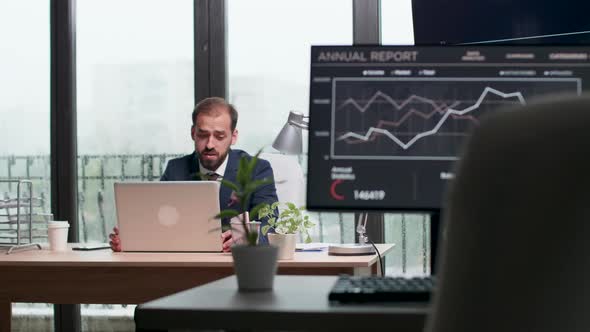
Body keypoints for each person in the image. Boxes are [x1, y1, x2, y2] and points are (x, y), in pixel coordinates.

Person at [109, 97, 278, 252]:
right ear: (193, 133)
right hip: (185, 261)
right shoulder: (176, 169)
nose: (210, 144)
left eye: (219, 136)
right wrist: (133, 239)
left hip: (235, 262)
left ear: (233, 137)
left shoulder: (257, 169)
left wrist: (248, 238)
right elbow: (156, 221)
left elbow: (269, 223)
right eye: (203, 135)